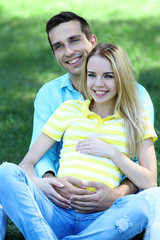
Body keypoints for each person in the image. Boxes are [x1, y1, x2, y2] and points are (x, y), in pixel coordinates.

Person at [0, 42, 158, 240]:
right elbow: (26, 164)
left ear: (122, 78)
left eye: (108, 76)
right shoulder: (69, 109)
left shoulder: (136, 119)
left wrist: (112, 152)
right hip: (57, 210)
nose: (98, 84)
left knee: (140, 206)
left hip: (101, 217)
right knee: (5, 171)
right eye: (92, 75)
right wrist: (44, 184)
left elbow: (150, 182)